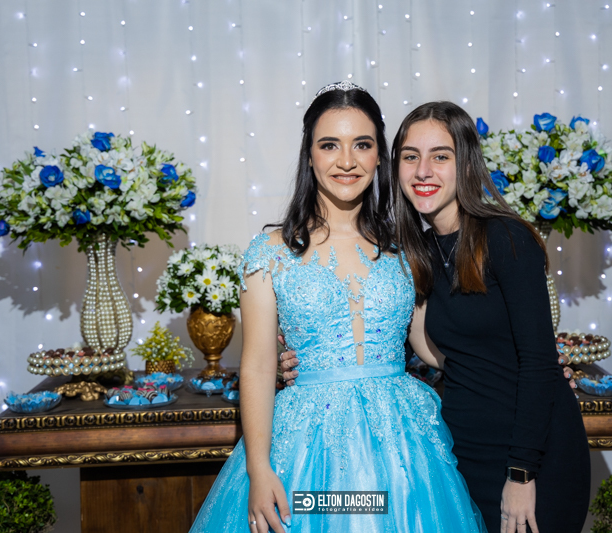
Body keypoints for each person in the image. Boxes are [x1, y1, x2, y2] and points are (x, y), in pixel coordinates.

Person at [282, 101, 590, 533]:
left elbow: (538, 363)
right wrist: (303, 357)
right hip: (463, 450)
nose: (423, 171)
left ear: (466, 163)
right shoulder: (418, 253)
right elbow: (418, 345)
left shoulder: (506, 238)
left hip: (530, 456)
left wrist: (521, 474)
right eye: (411, 157)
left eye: (440, 156)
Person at [190, 84, 486, 532]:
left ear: (380, 157)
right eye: (330, 145)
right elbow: (257, 366)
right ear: (309, 156)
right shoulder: (270, 253)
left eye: (361, 145)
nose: (346, 161)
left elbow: (432, 346)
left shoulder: (406, 248)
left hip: (403, 449)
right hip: (304, 452)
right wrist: (259, 468)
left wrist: (513, 362)